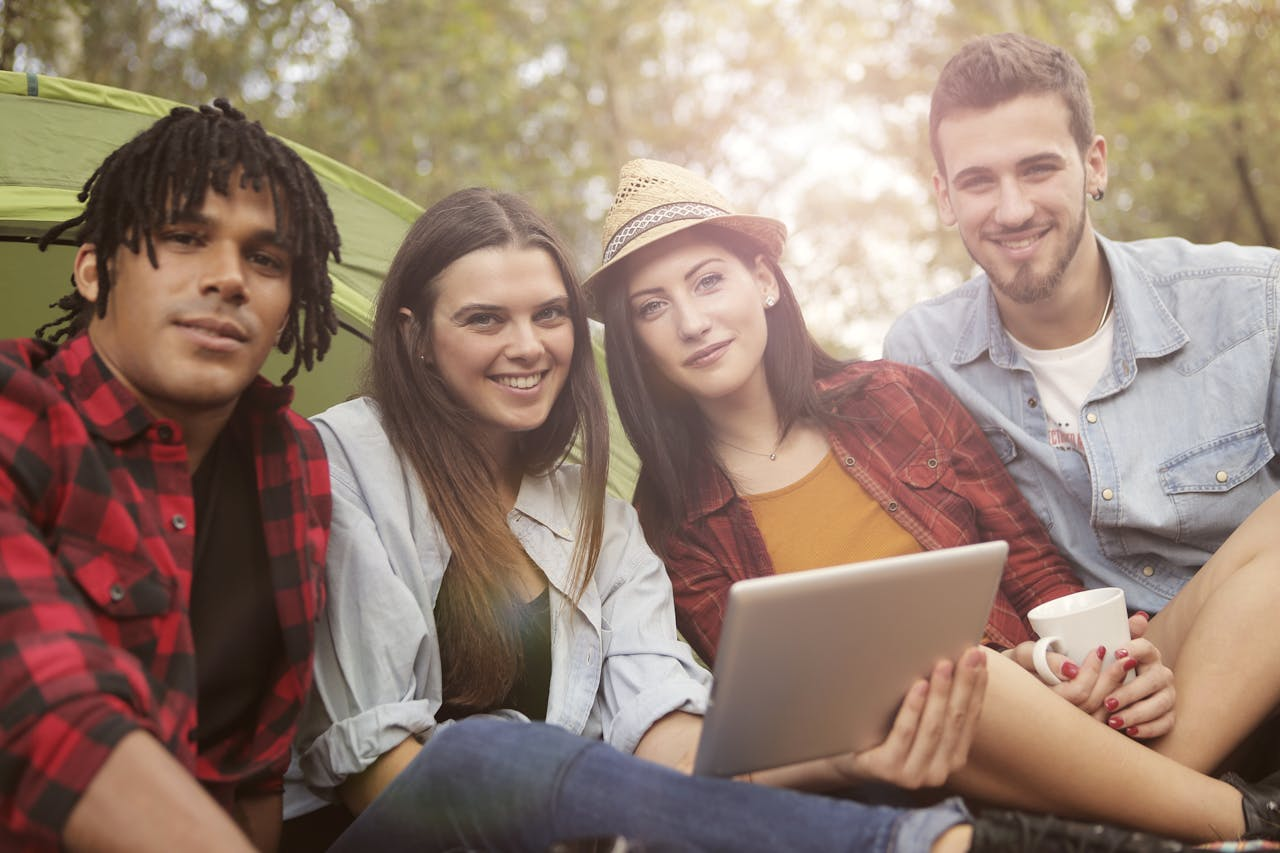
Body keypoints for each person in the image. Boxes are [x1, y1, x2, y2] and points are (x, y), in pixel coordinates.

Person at [281, 187, 1181, 853]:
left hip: (616, 818)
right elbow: (376, 767)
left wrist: (841, 760)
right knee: (482, 759)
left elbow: (665, 725)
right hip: (433, 831)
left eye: (548, 314)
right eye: (485, 319)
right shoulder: (344, 463)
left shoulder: (590, 511)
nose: (527, 345)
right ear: (413, 336)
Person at [586, 155, 1280, 844]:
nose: (691, 321)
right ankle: (1236, 816)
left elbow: (1039, 572)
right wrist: (1007, 679)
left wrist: (1114, 663)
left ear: (764, 280)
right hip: (939, 750)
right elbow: (781, 714)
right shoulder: (671, 520)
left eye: (709, 280)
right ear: (635, 340)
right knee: (949, 667)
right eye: (653, 306)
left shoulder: (893, 396)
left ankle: (1158, 801)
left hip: (1057, 685)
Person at [0, 100, 341, 851]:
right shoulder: (14, 416)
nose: (229, 279)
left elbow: (250, 767)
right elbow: (49, 715)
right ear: (93, 269)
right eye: (185, 238)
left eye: (266, 259)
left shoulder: (295, 461)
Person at [881, 32, 1280, 618]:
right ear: (944, 197)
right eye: (978, 181)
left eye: (1038, 169)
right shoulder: (921, 359)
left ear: (1094, 165)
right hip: (1080, 689)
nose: (1012, 209)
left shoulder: (1255, 301)